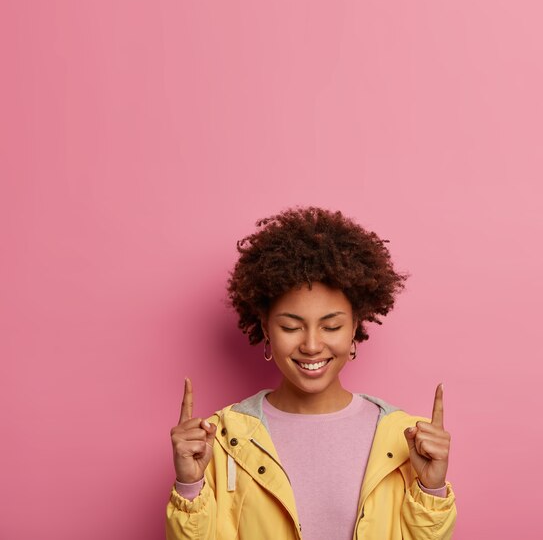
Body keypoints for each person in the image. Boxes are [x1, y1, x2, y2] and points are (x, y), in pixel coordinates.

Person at [166, 206, 457, 540]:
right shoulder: (222, 438)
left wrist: (431, 490)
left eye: (331, 326)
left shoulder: (404, 437)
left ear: (354, 330)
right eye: (291, 326)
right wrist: (189, 486)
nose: (312, 345)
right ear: (266, 329)